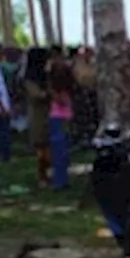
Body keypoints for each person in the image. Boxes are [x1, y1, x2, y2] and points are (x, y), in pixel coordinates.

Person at [22, 47, 53, 185]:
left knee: (48, 146)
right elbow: (36, 95)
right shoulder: (29, 78)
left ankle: (48, 173)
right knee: (41, 147)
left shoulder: (45, 75)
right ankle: (42, 176)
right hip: (37, 114)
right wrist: (50, 94)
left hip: (49, 113)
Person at [47, 59, 75, 191]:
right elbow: (63, 101)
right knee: (60, 152)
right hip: (60, 119)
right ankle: (59, 181)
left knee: (62, 152)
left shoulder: (56, 88)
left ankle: (61, 179)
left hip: (60, 118)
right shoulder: (56, 90)